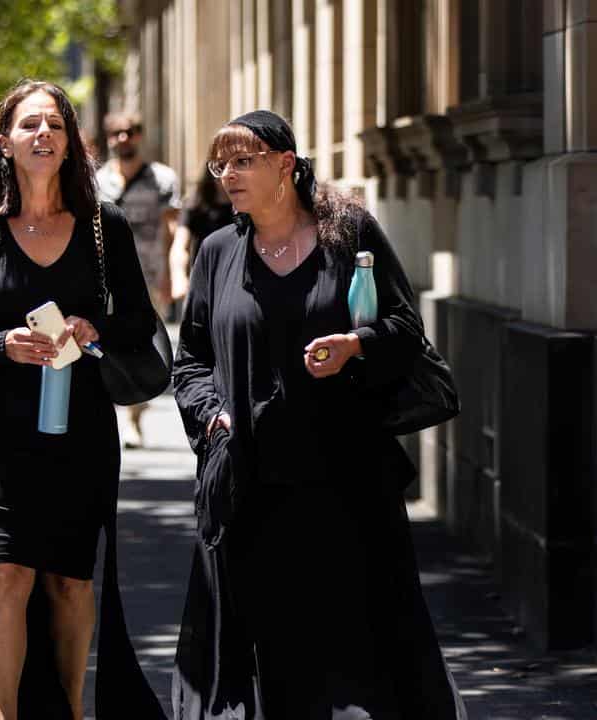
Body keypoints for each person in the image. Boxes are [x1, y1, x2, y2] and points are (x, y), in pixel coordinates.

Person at [170, 110, 466, 719]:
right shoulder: (219, 253)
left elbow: (406, 330)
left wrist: (357, 347)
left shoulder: (348, 235)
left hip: (346, 482)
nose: (229, 174)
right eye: (220, 163)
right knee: (270, 656)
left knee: (363, 650)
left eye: (244, 160)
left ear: (285, 165)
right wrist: (214, 418)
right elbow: (191, 361)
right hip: (251, 485)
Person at [0, 80, 166, 720]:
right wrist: (3, 345)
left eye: (55, 125)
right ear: (4, 141)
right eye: (29, 125)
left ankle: (72, 710)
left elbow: (139, 324)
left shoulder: (102, 226)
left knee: (69, 581)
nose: (43, 136)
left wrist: (92, 330)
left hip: (79, 429)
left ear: (72, 141)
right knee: (3, 577)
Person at [94, 111, 180, 448]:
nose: (123, 138)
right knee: (110, 344)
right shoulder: (97, 181)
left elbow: (172, 228)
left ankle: (134, 418)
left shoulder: (162, 178)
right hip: (105, 279)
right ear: (108, 138)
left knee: (139, 345)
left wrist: (173, 272)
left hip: (149, 275)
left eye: (130, 132)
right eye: (116, 133)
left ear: (140, 136)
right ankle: (120, 411)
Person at [169, 164, 233, 315]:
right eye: (219, 168)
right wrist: (178, 276)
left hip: (236, 279)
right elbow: (180, 245)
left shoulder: (246, 207)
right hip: (204, 281)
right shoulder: (195, 205)